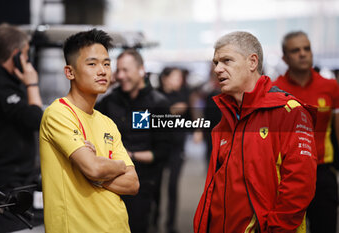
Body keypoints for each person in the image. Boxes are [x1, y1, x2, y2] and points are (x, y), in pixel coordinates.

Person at [193, 31, 317, 233]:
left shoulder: (290, 112)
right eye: (216, 63)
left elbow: (299, 188)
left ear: (252, 62)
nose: (217, 69)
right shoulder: (226, 121)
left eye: (226, 61)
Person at [39, 29, 139, 233]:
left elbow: (133, 183)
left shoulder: (107, 123)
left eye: (106, 63)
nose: (102, 71)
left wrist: (102, 167)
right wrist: (117, 165)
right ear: (70, 72)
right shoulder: (59, 113)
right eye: (92, 64)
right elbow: (93, 168)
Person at [96, 49, 169, 233]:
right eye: (118, 70)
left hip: (142, 185)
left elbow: (162, 152)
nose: (120, 75)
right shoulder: (110, 100)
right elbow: (85, 114)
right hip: (110, 184)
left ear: (141, 70)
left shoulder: (158, 103)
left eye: (125, 70)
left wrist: (129, 156)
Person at [273, 31, 339, 233]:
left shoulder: (330, 87)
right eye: (295, 50)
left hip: (323, 175)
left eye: (306, 48)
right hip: (286, 178)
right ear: (285, 57)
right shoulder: (274, 90)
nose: (302, 54)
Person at [0, 23, 43, 233]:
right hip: (3, 184)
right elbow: (35, 118)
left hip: (7, 181)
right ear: (17, 56)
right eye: (26, 54)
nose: (28, 61)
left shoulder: (2, 82)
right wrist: (32, 84)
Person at [156, 67, 191, 233]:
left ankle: (171, 225)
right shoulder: (155, 96)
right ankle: (154, 222)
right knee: (156, 187)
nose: (179, 81)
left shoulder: (183, 95)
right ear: (165, 79)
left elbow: (190, 118)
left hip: (177, 148)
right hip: (158, 148)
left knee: (172, 187)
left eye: (180, 77)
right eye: (175, 77)